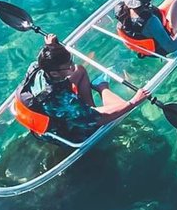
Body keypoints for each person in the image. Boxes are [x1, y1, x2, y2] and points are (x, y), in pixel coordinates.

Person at [13, 34, 149, 143]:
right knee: (121, 109)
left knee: (80, 70)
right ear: (54, 73)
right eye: (68, 66)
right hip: (66, 130)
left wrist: (51, 47)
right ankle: (102, 88)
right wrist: (134, 102)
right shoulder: (61, 100)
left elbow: (48, 59)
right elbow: (101, 118)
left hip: (50, 105)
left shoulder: (36, 67)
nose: (72, 66)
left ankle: (88, 108)